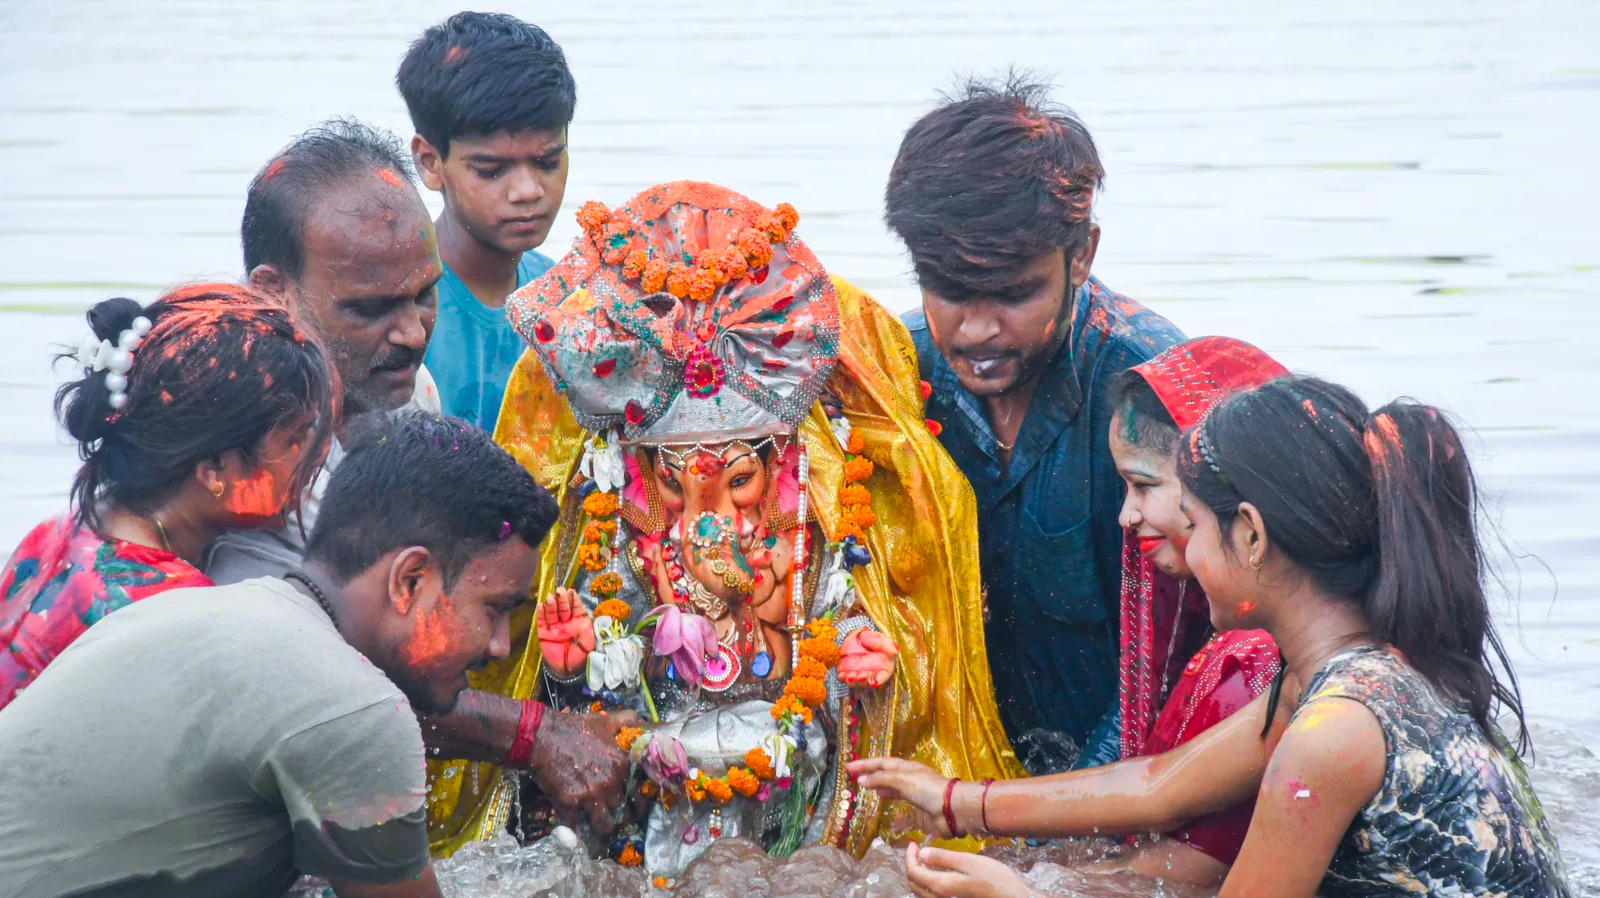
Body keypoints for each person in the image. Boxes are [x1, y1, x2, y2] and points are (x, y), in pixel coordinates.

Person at [428, 180, 1024, 871]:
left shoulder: (812, 509)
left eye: (739, 479)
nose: (706, 509)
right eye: (670, 479)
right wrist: (574, 661)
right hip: (653, 762)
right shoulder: (610, 500)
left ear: (784, 458)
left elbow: (845, 605)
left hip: (793, 755)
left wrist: (864, 649)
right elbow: (603, 652)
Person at [859, 376, 1574, 897]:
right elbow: (1157, 786)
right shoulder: (1348, 674)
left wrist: (1019, 897)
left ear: (1253, 535)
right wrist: (954, 800)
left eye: (1194, 526)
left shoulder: (1335, 730)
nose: (1180, 551)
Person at [217, 118, 631, 838]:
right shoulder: (238, 464)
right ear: (274, 294)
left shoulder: (409, 392)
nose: (412, 333)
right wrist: (535, 736)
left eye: (424, 296)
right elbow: (314, 694)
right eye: (370, 309)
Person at [0, 412, 558, 898]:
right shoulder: (353, 708)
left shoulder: (200, 611)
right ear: (409, 580)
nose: (500, 645)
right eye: (495, 608)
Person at [849, 337, 1289, 887]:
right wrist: (957, 804)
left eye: (1145, 487)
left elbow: (1185, 848)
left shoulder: (1256, 663)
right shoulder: (1280, 652)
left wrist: (1022, 883)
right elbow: (1157, 788)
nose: (1126, 517)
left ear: (1244, 518)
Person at [888, 74, 1183, 773]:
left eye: (1017, 294)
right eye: (951, 291)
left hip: (1119, 781)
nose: (979, 328)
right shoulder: (893, 382)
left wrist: (1061, 833)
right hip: (959, 772)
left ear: (1082, 255)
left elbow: (1179, 659)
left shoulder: (1151, 390)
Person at [0, 284, 335, 711]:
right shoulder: (179, 611)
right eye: (295, 438)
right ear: (214, 469)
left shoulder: (57, 532)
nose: (317, 453)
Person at [398, 11, 573, 432]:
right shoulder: (395, 315)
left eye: (548, 161)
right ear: (429, 161)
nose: (527, 191)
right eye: (491, 169)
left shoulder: (568, 299)